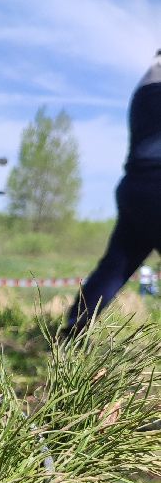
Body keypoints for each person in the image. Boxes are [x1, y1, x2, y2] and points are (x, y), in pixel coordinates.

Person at [66, 49, 161, 330]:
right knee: (114, 265)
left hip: (135, 189)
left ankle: (74, 330)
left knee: (114, 266)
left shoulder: (145, 88)